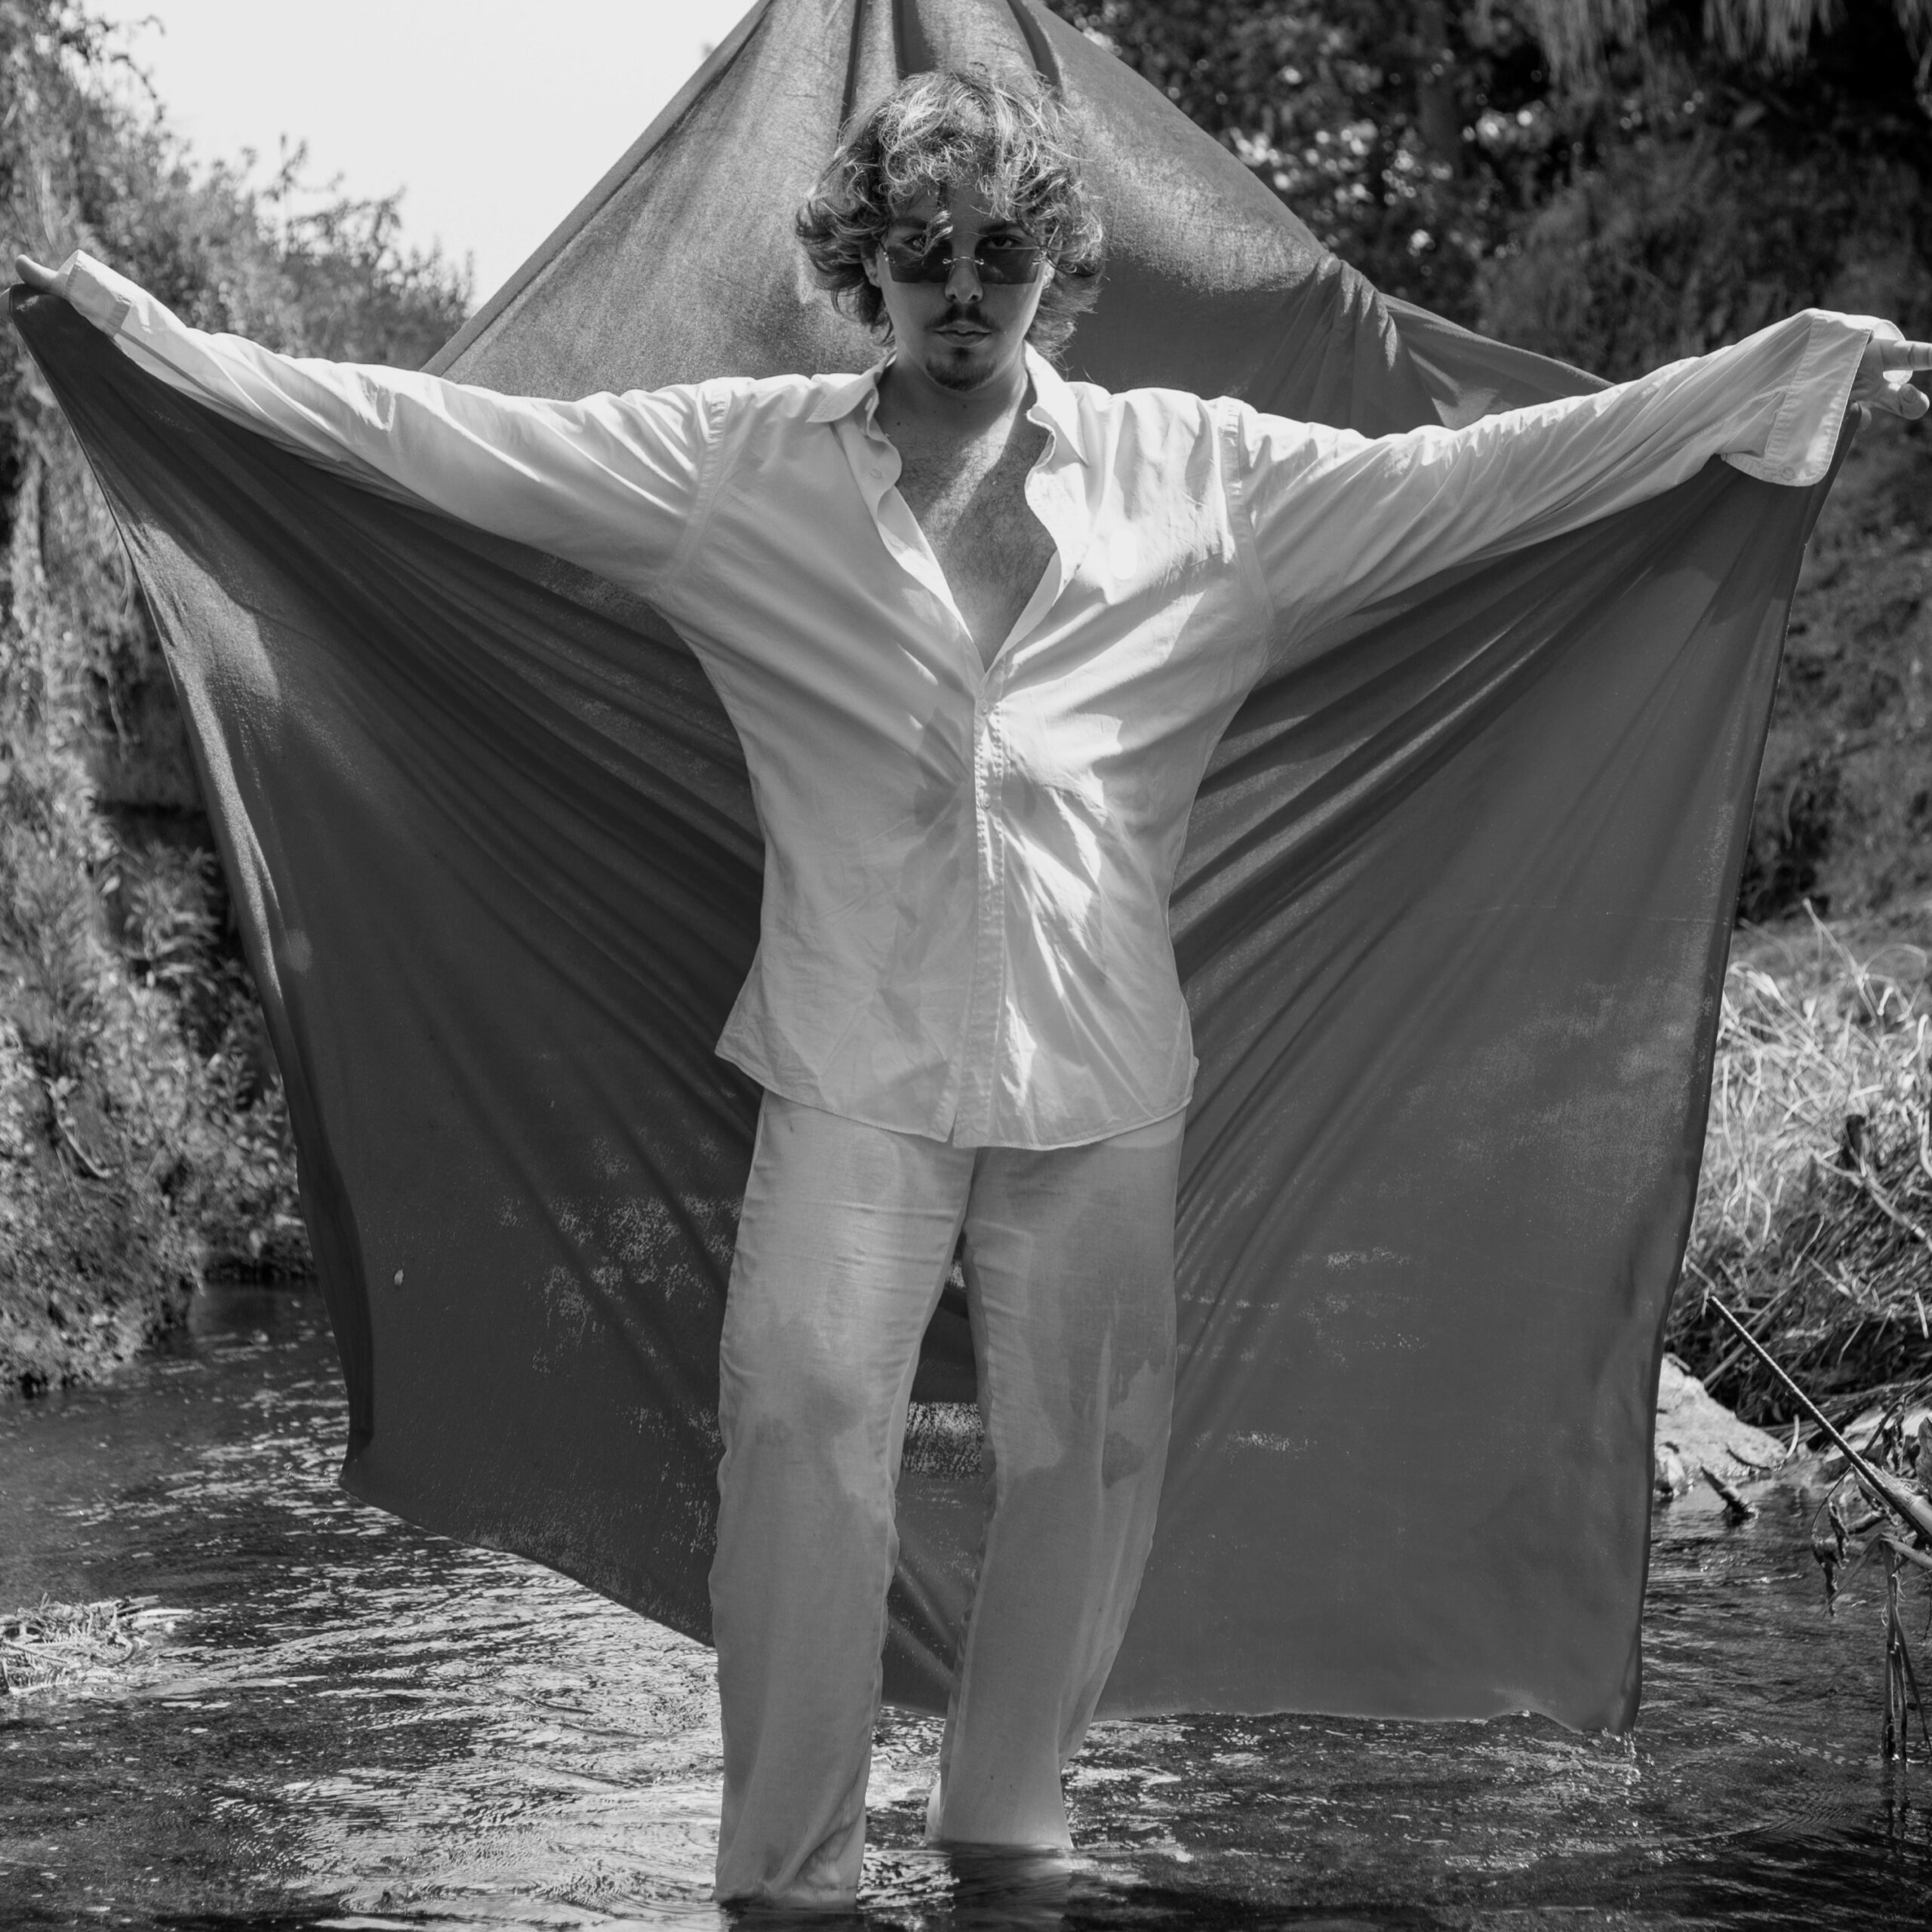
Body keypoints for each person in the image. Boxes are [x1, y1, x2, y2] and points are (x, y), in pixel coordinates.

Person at [16, 64, 1932, 1915]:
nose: (959, 293)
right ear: (862, 260)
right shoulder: (736, 469)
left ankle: (1006, 1839)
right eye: (920, 255)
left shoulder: (1202, 483)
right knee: (797, 1431)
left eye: (999, 255)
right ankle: (787, 1880)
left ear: (1054, 266)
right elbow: (434, 439)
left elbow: (1486, 476)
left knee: (1086, 1463)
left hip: (1101, 1072)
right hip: (844, 1063)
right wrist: (135, 336)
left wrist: (1772, 377)